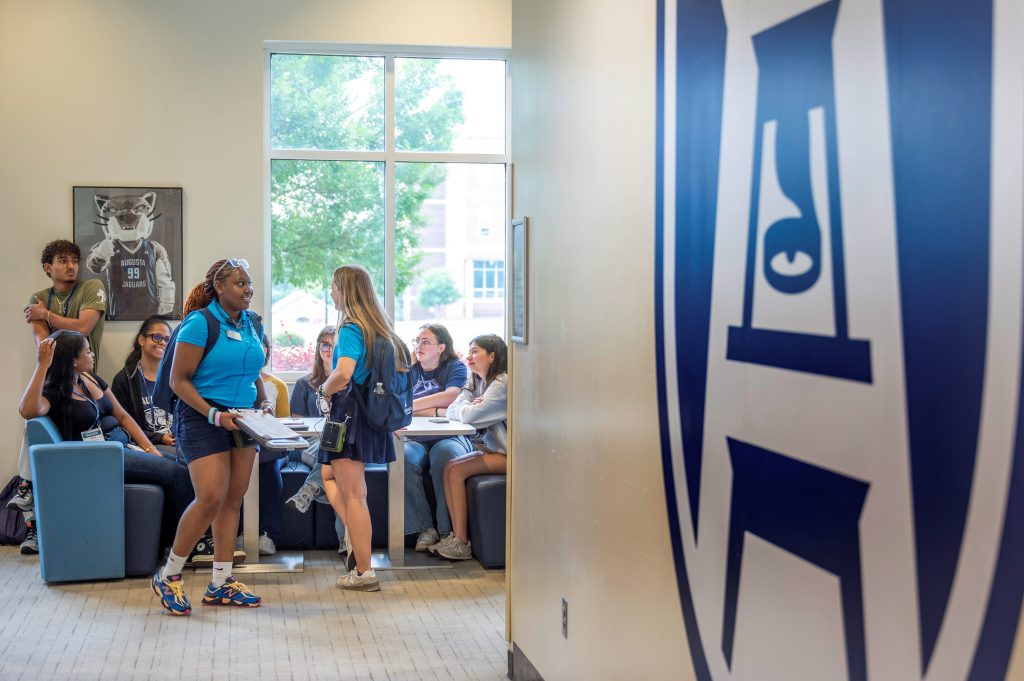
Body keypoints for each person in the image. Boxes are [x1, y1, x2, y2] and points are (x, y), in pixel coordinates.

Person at [150, 258, 268, 615]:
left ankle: (220, 582)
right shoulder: (200, 323)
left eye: (249, 283)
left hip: (244, 419)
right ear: (219, 287)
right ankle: (169, 575)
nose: (247, 289)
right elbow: (178, 380)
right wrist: (215, 414)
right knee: (211, 498)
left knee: (233, 499)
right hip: (202, 417)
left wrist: (262, 402)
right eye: (239, 283)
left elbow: (253, 371)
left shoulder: (253, 324)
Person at [17, 330, 194, 551]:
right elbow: (27, 410)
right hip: (100, 458)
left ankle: (174, 540)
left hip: (121, 445)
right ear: (73, 360)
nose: (92, 356)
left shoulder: (89, 378)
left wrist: (150, 449)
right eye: (87, 352)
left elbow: (122, 415)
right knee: (177, 475)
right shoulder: (54, 392)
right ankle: (184, 545)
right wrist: (42, 365)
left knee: (188, 467)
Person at [10, 240, 109, 554]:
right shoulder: (36, 298)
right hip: (52, 381)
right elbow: (46, 345)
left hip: (83, 383)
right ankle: (32, 521)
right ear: (47, 268)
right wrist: (51, 324)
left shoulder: (91, 287)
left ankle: (27, 490)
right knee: (34, 427)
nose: (71, 266)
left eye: (74, 261)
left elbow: (82, 328)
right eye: (63, 260)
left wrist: (47, 316)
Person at [320, 264, 412, 592]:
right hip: (371, 420)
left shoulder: (350, 329)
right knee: (350, 489)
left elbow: (343, 373)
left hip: (349, 418)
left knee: (355, 496)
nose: (330, 291)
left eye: (333, 286)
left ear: (346, 290)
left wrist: (323, 389)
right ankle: (361, 557)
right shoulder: (381, 329)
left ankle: (363, 571)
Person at [429, 334, 508, 561]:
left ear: (492, 356)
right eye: (469, 351)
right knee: (450, 467)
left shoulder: (501, 382)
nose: (470, 357)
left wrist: (468, 408)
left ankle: (461, 542)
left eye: (476, 351)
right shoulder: (477, 381)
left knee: (456, 470)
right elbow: (455, 408)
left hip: (514, 454)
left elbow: (470, 416)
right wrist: (467, 406)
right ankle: (457, 538)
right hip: (497, 449)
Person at [403, 323, 471, 551]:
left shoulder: (455, 367)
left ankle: (446, 532)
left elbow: (452, 397)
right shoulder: (409, 369)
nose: (419, 346)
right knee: (402, 459)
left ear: (441, 347)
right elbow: (398, 404)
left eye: (426, 341)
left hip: (448, 436)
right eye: (417, 341)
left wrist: (412, 406)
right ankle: (425, 528)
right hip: (414, 438)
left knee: (446, 460)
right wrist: (435, 407)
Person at [284, 326, 348, 552]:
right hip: (312, 443)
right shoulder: (305, 382)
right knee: (334, 456)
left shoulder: (350, 382)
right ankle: (346, 540)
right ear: (318, 348)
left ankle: (310, 489)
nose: (329, 350)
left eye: (334, 345)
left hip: (345, 445)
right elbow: (298, 424)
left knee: (340, 471)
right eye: (325, 345)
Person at [111, 317, 177, 458]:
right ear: (142, 340)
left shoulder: (176, 376)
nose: (162, 343)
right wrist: (159, 437)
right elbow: (122, 425)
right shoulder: (124, 380)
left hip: (178, 440)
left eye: (167, 340)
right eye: (157, 337)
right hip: (146, 444)